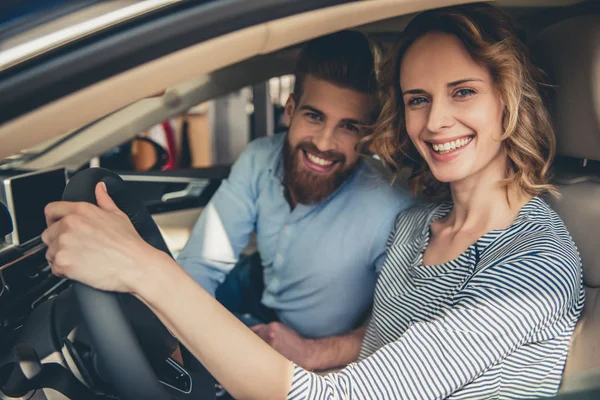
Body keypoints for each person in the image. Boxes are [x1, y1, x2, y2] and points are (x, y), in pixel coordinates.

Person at [42, 3, 584, 399]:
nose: (435, 121)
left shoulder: (533, 268)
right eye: (418, 99)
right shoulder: (419, 224)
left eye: (462, 91)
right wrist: (311, 352)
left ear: (510, 99)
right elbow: (378, 349)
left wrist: (141, 269)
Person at [177, 30, 414, 370]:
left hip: (309, 338)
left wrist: (314, 353)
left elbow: (400, 326)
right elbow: (202, 263)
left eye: (348, 126)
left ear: (367, 134)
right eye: (314, 116)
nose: (323, 142)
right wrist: (175, 334)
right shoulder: (260, 158)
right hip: (251, 282)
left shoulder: (390, 209)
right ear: (290, 110)